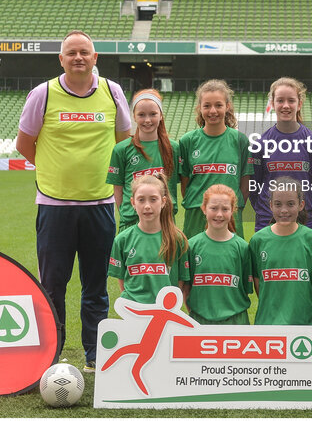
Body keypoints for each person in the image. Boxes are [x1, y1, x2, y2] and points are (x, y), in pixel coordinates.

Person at [16, 30, 132, 373]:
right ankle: (52, 352)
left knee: (96, 286)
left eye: (85, 52)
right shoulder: (43, 94)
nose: (78, 57)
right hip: (55, 207)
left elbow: (123, 142)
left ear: (95, 58)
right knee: (53, 285)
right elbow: (25, 144)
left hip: (99, 206)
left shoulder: (113, 92)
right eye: (71, 53)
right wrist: (55, 171)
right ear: (61, 59)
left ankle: (96, 353)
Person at [249, 77, 312, 234]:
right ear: (272, 104)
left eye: (291, 101)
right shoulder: (261, 143)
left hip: (306, 222)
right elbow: (254, 187)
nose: (285, 105)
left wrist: (309, 212)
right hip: (268, 222)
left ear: (299, 104)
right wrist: (268, 211)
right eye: (280, 100)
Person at [178, 79, 253, 239]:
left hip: (229, 215)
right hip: (196, 214)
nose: (213, 111)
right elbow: (185, 183)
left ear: (227, 106)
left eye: (218, 105)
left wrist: (231, 206)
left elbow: (245, 183)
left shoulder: (240, 140)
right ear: (199, 108)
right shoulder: (188, 141)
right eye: (207, 106)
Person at [249, 177, 312, 325]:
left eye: (290, 204)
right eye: (278, 204)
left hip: (304, 323)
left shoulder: (310, 238)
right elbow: (259, 284)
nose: (284, 210)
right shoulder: (258, 240)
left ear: (301, 205)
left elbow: (310, 282)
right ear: (270, 205)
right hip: (268, 322)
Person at [108, 173, 189, 305]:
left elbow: (180, 281)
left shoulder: (177, 238)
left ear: (163, 202)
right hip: (133, 311)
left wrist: (170, 306)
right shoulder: (122, 239)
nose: (147, 206)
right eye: (141, 200)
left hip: (166, 312)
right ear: (133, 203)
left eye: (153, 199)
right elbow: (122, 281)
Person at [106, 89, 179, 232]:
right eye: (141, 115)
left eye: (153, 114)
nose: (147, 120)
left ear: (161, 116)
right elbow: (118, 188)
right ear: (133, 116)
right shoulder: (121, 149)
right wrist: (127, 212)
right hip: (132, 221)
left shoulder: (173, 148)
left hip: (165, 221)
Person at [185, 184, 252, 325]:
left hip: (235, 322)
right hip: (199, 321)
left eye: (225, 209)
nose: (219, 214)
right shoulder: (191, 246)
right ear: (204, 209)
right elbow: (186, 287)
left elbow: (244, 289)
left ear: (233, 210)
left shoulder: (243, 248)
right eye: (213, 208)